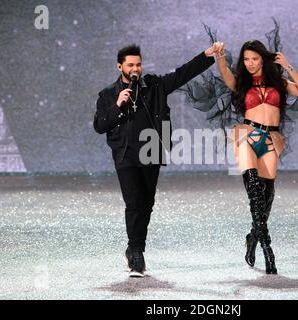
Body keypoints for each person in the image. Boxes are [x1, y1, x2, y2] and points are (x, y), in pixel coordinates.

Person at [93, 44, 217, 277]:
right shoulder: (108, 94)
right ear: (120, 66)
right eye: (130, 65)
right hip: (125, 154)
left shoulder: (154, 86)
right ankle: (137, 252)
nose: (135, 68)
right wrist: (118, 104)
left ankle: (134, 249)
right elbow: (100, 126)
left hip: (151, 150)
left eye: (138, 64)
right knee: (134, 202)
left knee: (147, 203)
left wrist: (206, 56)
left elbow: (182, 74)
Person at [213, 40, 298, 274]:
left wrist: (288, 66)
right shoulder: (241, 82)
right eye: (246, 59)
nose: (250, 64)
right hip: (246, 135)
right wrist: (219, 57)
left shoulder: (279, 83)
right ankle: (269, 252)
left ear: (263, 60)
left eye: (254, 59)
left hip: (271, 139)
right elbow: (224, 71)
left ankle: (253, 237)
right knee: (255, 194)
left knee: (267, 198)